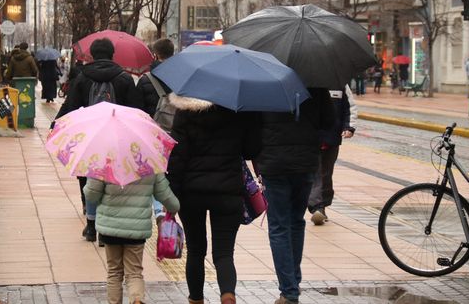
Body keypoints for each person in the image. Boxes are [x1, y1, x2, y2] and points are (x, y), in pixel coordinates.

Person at [166, 94, 261, 304]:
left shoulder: (185, 111)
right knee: (224, 252)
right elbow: (251, 150)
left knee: (196, 250)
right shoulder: (237, 111)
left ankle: (196, 299)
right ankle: (227, 295)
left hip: (191, 193)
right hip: (228, 191)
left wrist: (171, 194)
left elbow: (177, 158)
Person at [54, 38, 143, 241]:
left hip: (89, 136)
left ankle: (91, 224)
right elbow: (135, 109)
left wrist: (57, 123)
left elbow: (71, 105)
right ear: (113, 55)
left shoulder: (83, 77)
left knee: (89, 175)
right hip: (117, 138)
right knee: (112, 178)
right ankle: (107, 228)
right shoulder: (124, 78)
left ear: (92, 55)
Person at [256, 88, 334, 304]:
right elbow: (329, 121)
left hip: (274, 164)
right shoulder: (316, 85)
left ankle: (289, 291)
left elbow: (253, 126)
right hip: (305, 163)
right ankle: (292, 284)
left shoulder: (265, 85)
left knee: (280, 226)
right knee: (296, 222)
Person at [83, 172, 180, 304]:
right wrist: (174, 208)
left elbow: (91, 194)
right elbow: (165, 195)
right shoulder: (150, 163)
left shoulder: (104, 161)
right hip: (137, 227)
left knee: (114, 272)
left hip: (111, 227)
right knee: (134, 272)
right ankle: (137, 299)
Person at [137, 38, 175, 224]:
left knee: (155, 173)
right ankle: (171, 206)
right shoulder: (182, 77)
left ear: (155, 55)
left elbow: (136, 111)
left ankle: (159, 210)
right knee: (173, 172)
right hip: (176, 135)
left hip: (151, 136)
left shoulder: (146, 80)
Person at [309, 86, 357, 225]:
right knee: (316, 173)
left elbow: (349, 108)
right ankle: (317, 207)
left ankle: (323, 203)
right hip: (311, 138)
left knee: (326, 173)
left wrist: (349, 127)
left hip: (332, 138)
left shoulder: (340, 83)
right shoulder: (308, 82)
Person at [138, 38, 174, 116]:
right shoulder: (184, 76)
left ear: (156, 55)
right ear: (172, 53)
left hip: (152, 125)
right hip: (177, 126)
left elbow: (138, 111)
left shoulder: (145, 80)